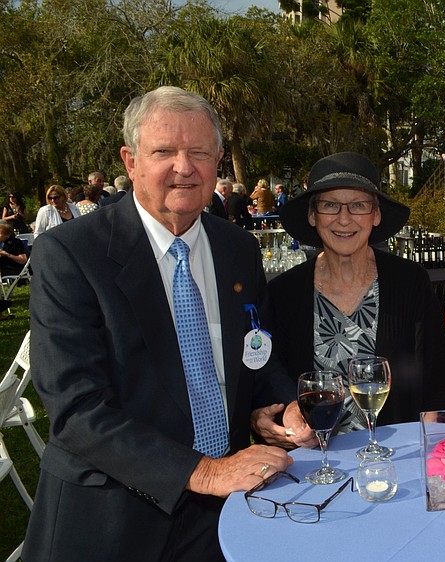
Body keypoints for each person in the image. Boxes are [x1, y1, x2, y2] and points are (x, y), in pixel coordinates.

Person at [23, 85, 316, 562]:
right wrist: (204, 471)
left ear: (217, 161)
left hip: (226, 513)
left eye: (199, 152)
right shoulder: (71, 254)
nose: (184, 167)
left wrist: (281, 409)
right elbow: (77, 409)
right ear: (131, 161)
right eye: (164, 152)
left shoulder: (237, 249)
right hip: (113, 517)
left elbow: (257, 354)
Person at [269, 152, 445, 433]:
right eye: (330, 205)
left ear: (376, 214)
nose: (344, 219)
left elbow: (440, 380)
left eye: (358, 205)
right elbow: (272, 380)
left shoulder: (410, 282)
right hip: (317, 457)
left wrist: (432, 443)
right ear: (312, 215)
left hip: (397, 452)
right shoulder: (284, 293)